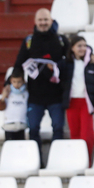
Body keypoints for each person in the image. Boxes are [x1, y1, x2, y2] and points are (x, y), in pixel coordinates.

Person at [13, 8, 71, 145]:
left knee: (58, 129)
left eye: (46, 20)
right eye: (40, 20)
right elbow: (18, 65)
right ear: (35, 21)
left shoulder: (61, 40)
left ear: (51, 20)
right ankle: (37, 161)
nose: (43, 23)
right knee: (33, 129)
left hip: (56, 95)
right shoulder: (29, 41)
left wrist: (57, 66)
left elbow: (71, 60)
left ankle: (57, 162)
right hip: (35, 96)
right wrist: (9, 84)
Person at [67, 35, 94, 165]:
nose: (82, 48)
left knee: (87, 135)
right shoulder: (66, 64)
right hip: (72, 103)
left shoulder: (92, 65)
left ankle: (87, 162)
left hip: (86, 103)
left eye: (84, 45)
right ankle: (76, 162)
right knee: (75, 134)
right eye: (79, 46)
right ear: (72, 48)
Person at [0, 66, 30, 140]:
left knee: (20, 145)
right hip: (9, 124)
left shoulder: (26, 93)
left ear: (23, 81)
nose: (16, 84)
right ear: (11, 81)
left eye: (19, 82)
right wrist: (3, 97)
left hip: (21, 124)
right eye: (14, 82)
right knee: (9, 145)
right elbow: (0, 107)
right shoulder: (7, 93)